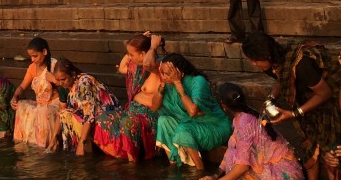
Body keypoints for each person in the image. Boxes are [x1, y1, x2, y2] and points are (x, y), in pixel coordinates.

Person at [242, 31, 341, 180]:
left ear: (266, 55)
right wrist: (271, 98)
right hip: (307, 96)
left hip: (330, 98)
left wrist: (295, 113)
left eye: (255, 60)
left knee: (330, 155)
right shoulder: (272, 65)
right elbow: (280, 80)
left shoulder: (302, 65)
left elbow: (325, 93)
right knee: (305, 143)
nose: (254, 64)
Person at [198, 82, 304, 180]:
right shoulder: (239, 119)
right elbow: (231, 150)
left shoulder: (246, 122)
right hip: (277, 168)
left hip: (285, 175)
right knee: (232, 158)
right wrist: (215, 176)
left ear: (223, 105)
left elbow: (243, 166)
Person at [93, 33, 163, 162]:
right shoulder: (136, 67)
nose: (129, 57)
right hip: (133, 110)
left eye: (131, 54)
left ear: (142, 54)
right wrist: (137, 41)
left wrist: (153, 47)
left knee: (128, 122)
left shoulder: (156, 68)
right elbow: (121, 67)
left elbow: (148, 63)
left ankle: (132, 163)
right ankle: (121, 153)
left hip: (149, 115)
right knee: (102, 117)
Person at [155, 52, 231, 169]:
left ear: (178, 72)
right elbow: (154, 107)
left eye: (167, 73)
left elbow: (192, 111)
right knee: (163, 121)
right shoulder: (167, 84)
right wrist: (161, 85)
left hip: (214, 126)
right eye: (162, 73)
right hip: (191, 123)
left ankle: (200, 169)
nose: (164, 76)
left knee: (183, 129)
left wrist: (177, 83)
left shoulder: (198, 81)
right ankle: (174, 163)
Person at [53, 58, 119, 156]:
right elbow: (62, 111)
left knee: (78, 121)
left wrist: (81, 142)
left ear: (73, 75)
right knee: (65, 114)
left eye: (63, 79)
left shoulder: (84, 82)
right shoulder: (68, 87)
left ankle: (87, 151)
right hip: (91, 116)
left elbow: (89, 114)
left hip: (107, 114)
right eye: (58, 80)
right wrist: (54, 137)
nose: (61, 83)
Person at [10, 36, 60, 150]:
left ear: (44, 52)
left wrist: (54, 80)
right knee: (21, 106)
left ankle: (43, 148)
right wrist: (15, 97)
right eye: (31, 56)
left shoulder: (55, 66)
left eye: (35, 56)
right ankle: (22, 147)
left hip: (54, 105)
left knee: (42, 112)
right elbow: (22, 87)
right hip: (40, 105)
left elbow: (66, 87)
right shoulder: (32, 68)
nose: (32, 59)